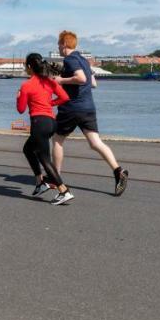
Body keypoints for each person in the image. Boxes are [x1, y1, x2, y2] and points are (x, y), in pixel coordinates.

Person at [51, 30, 129, 196]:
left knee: (57, 140)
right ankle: (118, 171)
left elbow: (82, 79)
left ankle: (55, 178)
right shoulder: (84, 60)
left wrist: (61, 80)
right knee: (95, 143)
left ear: (64, 44)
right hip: (88, 107)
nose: (58, 47)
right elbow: (93, 83)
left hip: (71, 108)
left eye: (58, 44)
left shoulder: (70, 59)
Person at [16, 52, 73, 205]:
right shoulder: (49, 82)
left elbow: (21, 109)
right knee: (28, 149)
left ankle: (63, 190)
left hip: (39, 124)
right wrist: (50, 104)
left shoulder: (26, 85)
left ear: (29, 67)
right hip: (51, 123)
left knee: (44, 159)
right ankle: (40, 182)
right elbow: (65, 98)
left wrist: (18, 96)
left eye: (25, 66)